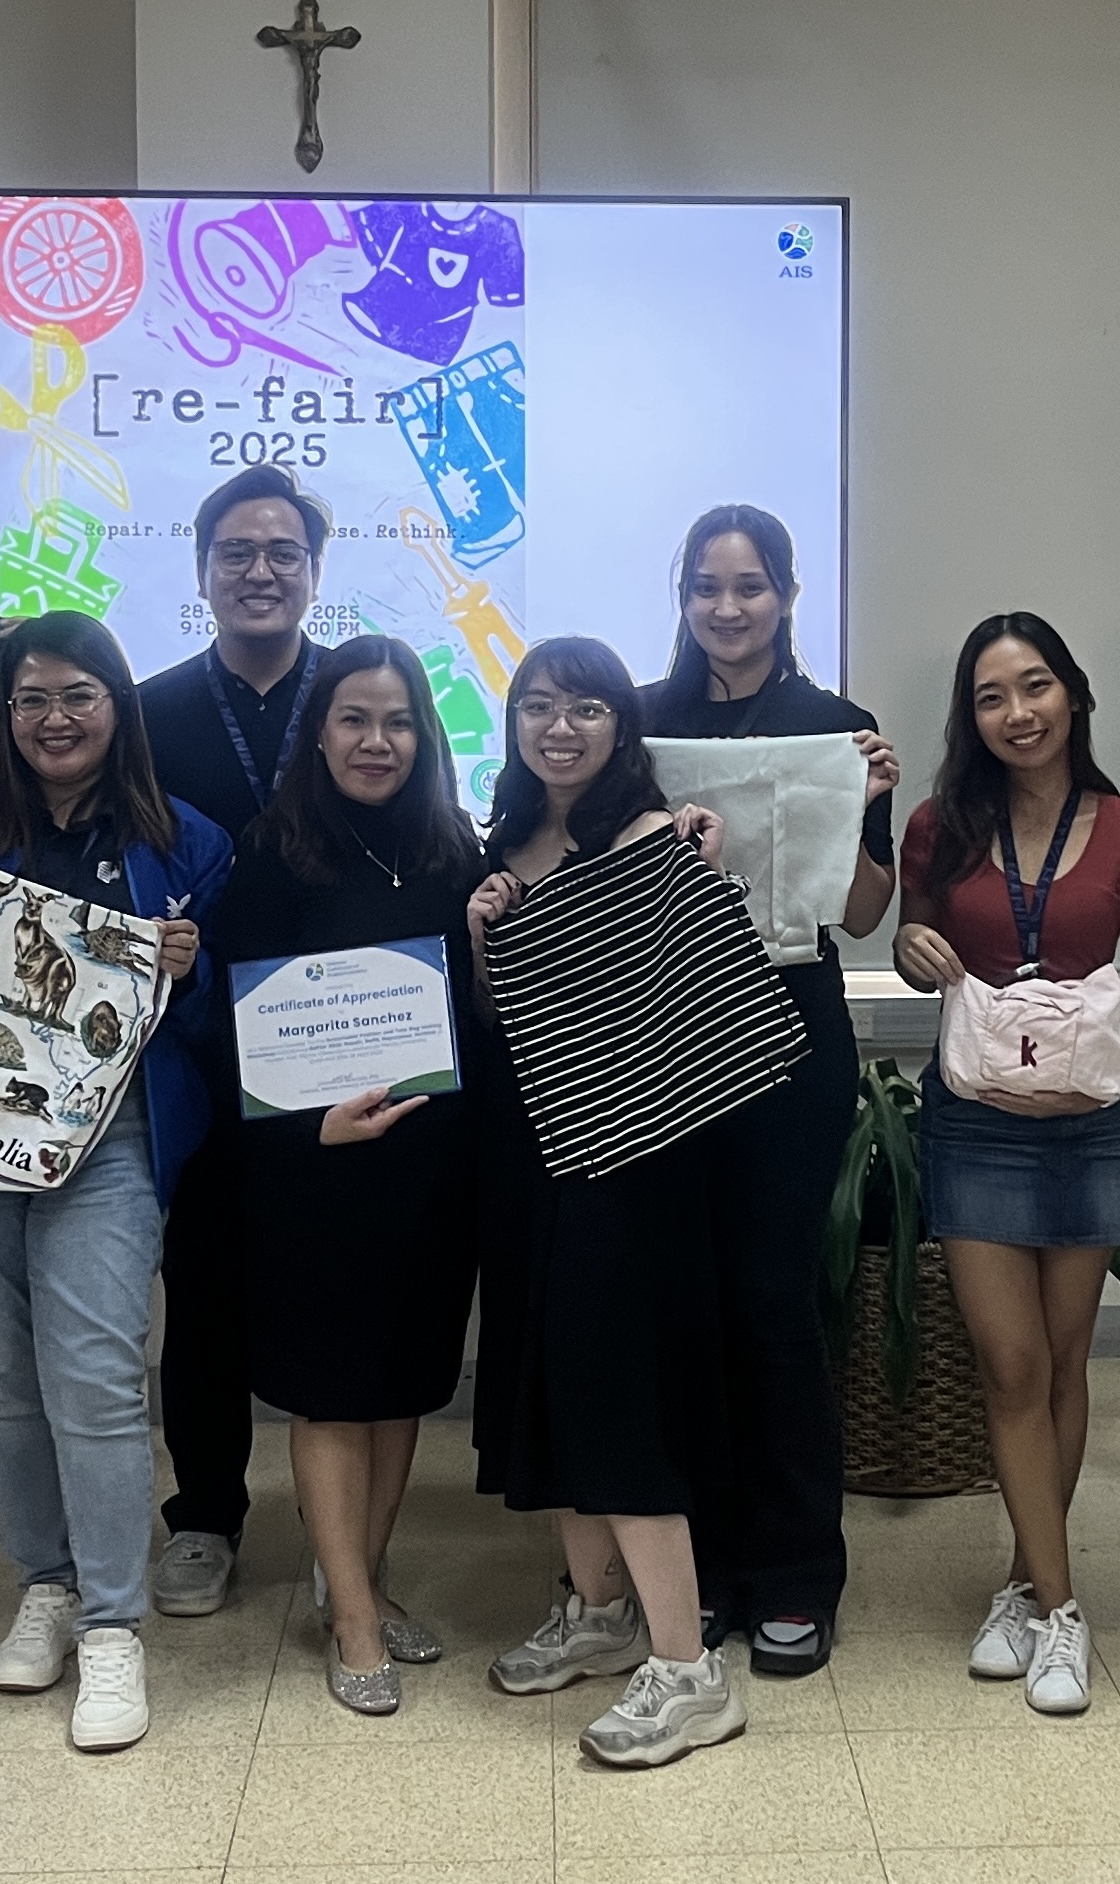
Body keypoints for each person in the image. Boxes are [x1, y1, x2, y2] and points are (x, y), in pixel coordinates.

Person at [0, 611, 232, 1754]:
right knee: (1, 1381)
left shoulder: (188, 841)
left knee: (93, 1375)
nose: (54, 719)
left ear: (119, 706)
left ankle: (117, 1626)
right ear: (5, 714)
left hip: (108, 1141)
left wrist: (192, 962)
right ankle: (49, 1584)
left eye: (79, 695)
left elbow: (221, 1008)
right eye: (31, 699)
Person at [470, 636, 794, 1768]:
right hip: (539, 1166)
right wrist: (483, 932)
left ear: (622, 727)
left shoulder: (658, 840)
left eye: (588, 708)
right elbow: (507, 1027)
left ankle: (689, 1670)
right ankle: (601, 1616)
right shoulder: (505, 848)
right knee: (558, 1393)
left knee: (621, 1404)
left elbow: (718, 1019)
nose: (561, 728)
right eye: (540, 707)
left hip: (638, 1174)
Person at [201, 636, 488, 1716]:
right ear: (318, 733)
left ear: (427, 736)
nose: (379, 741)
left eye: (401, 721)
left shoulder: (457, 851)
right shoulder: (273, 855)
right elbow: (239, 1029)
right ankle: (355, 1619)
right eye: (356, 720)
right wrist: (306, 1128)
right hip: (313, 1163)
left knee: (406, 1381)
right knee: (330, 1388)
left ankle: (360, 1580)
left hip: (430, 1160)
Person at [638, 504, 898, 1677]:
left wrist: (867, 803)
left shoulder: (838, 729)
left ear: (788, 596)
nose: (728, 609)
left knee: (777, 1307)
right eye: (707, 588)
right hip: (657, 1032)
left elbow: (859, 912)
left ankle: (794, 1572)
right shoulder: (637, 722)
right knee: (679, 1304)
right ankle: (692, 1572)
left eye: (750, 587)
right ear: (683, 597)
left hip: (790, 1032)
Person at [889, 614, 1120, 1719]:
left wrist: (1104, 1077)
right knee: (1008, 1368)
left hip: (1088, 1123)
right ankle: (1061, 1611)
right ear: (973, 717)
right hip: (976, 1120)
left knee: (1061, 1365)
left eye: (1036, 686)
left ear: (1074, 694)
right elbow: (916, 953)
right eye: (993, 697)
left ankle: (1021, 1576)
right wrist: (912, 948)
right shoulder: (936, 826)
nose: (1018, 713)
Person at [131, 465, 333, 1619]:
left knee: (328, 1281)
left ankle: (336, 1521)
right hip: (198, 1039)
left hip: (339, 1032)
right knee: (200, 1289)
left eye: (283, 554)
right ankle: (205, 1513)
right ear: (204, 570)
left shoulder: (359, 692)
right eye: (237, 554)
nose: (260, 572)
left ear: (314, 572)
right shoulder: (147, 712)